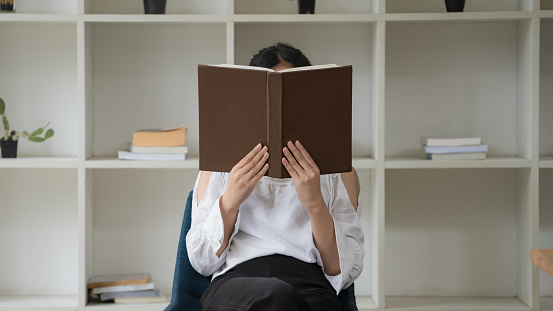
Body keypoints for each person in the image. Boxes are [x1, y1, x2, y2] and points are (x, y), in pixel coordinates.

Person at [187, 42, 364, 311]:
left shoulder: (338, 170)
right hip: (236, 284)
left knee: (287, 299)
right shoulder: (219, 165)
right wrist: (231, 199)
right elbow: (201, 262)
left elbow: (345, 272)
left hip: (310, 284)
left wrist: (314, 202)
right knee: (275, 295)